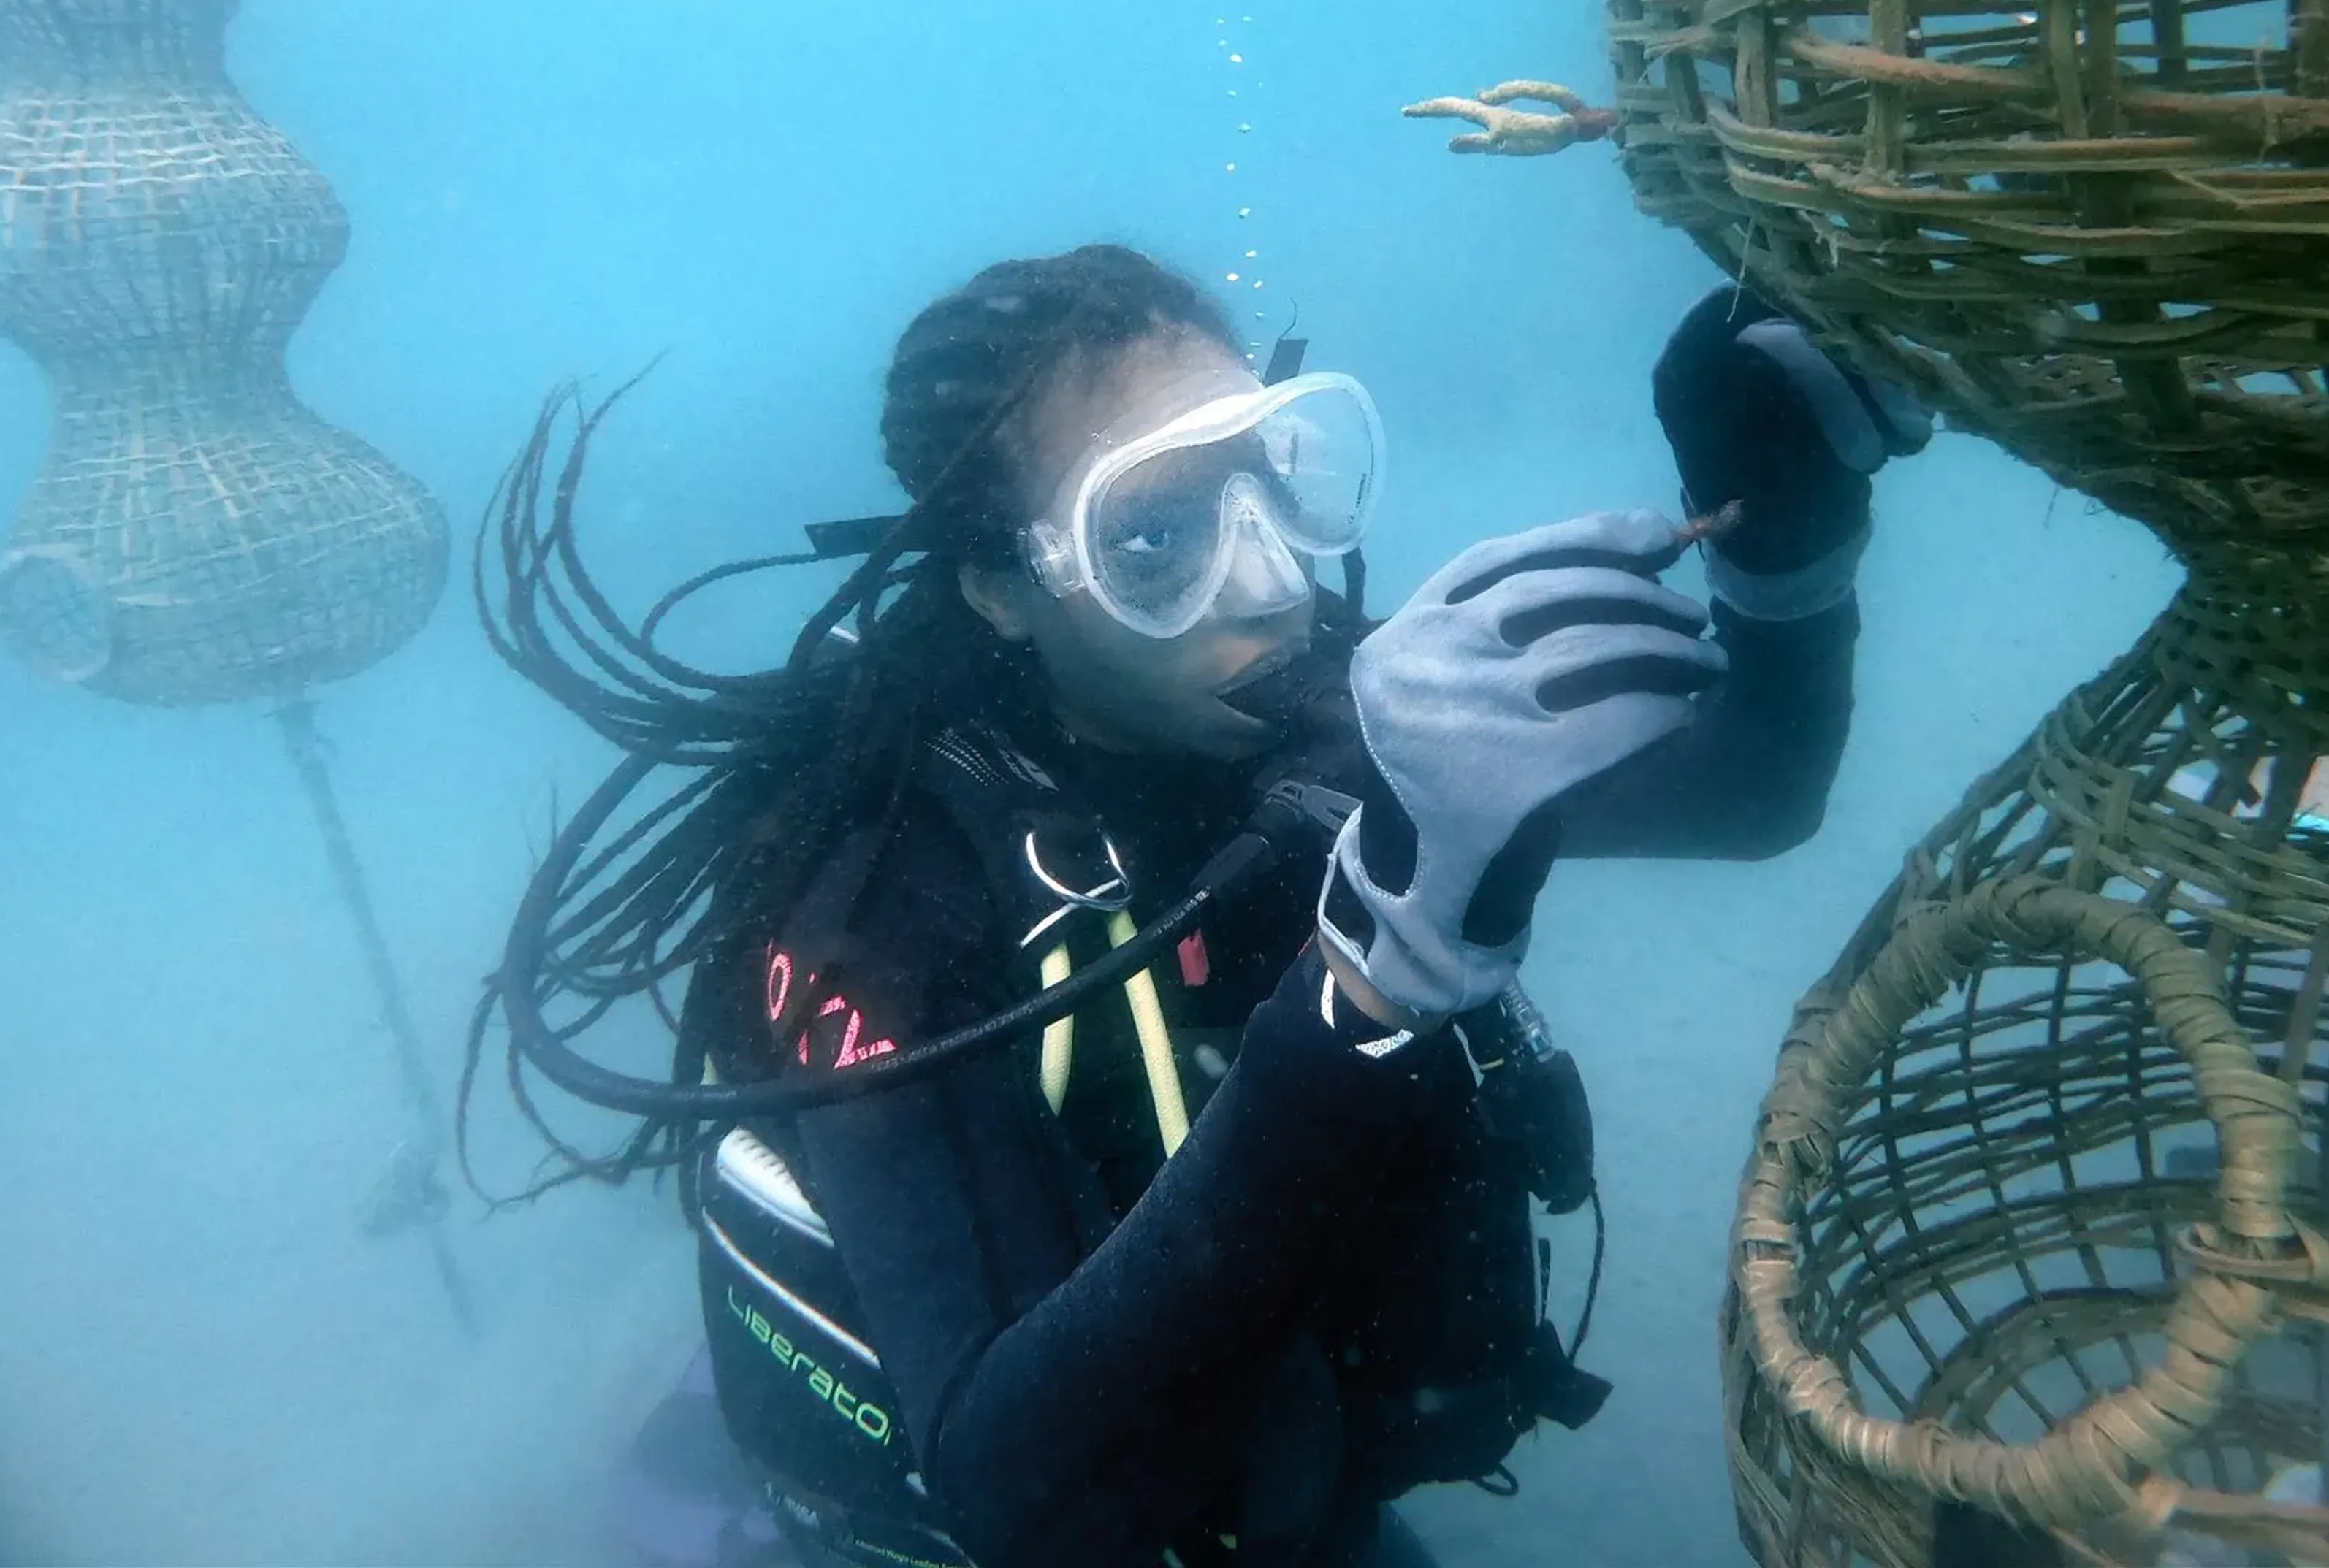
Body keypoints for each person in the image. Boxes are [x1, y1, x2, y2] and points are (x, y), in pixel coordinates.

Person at [476, 243, 1928, 1568]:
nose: (1272, 582)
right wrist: (1370, 987)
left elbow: (1752, 795)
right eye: (1156, 539)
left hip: (1290, 1490)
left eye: (1277, 481)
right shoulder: (891, 906)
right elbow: (1019, 1494)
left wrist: (1785, 539)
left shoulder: (1329, 707)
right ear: (1003, 584)